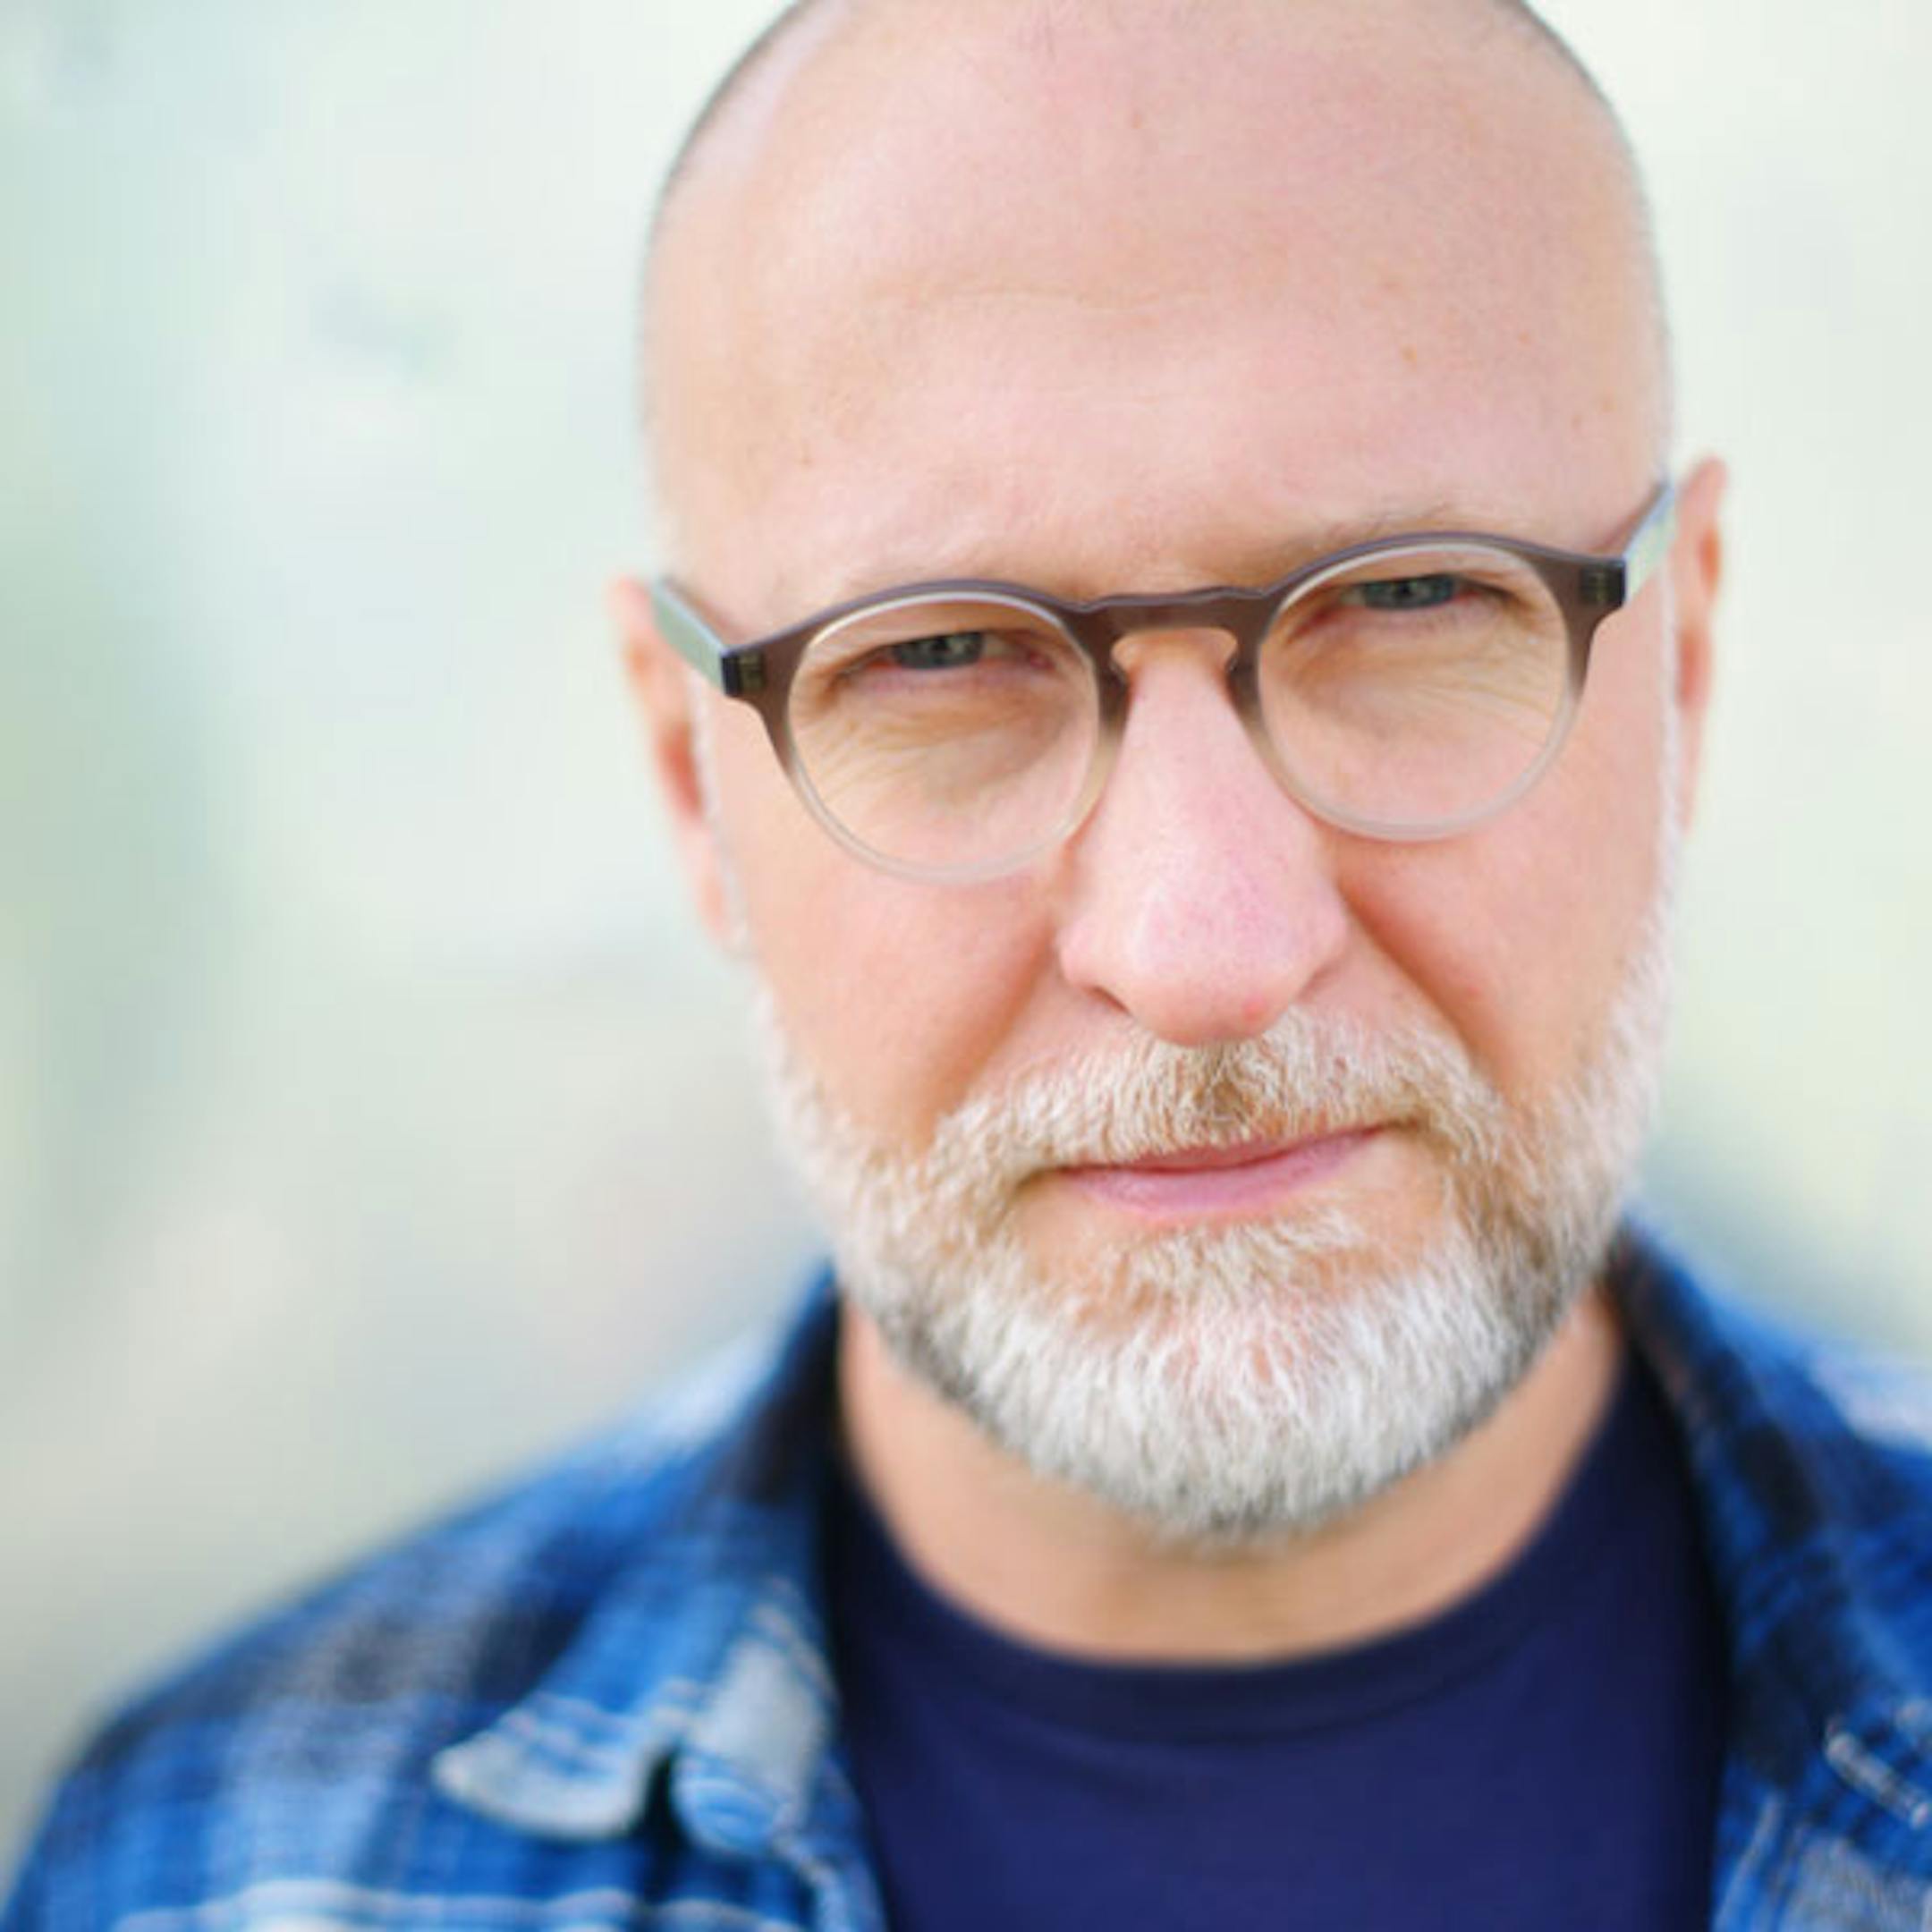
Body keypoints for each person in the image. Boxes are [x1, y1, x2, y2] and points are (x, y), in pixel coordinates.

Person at [8, 0, 1932, 1926]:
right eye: (941, 659)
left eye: (1417, 602)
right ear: (694, 784)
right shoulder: (225, 1874)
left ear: (1682, 668)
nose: (1202, 950)